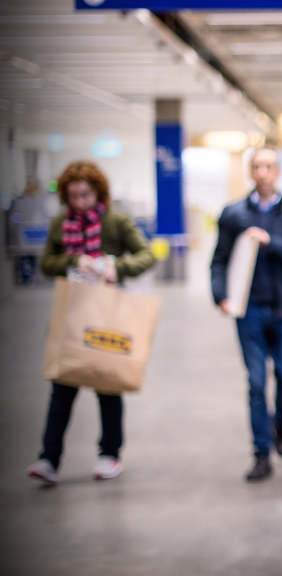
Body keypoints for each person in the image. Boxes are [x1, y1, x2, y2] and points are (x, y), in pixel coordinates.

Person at [27, 161, 155, 484]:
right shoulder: (61, 223)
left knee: (108, 385)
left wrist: (116, 268)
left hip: (106, 314)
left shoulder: (116, 220)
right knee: (62, 388)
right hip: (72, 312)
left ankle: (109, 453)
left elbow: (146, 255)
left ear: (98, 192)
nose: (80, 202)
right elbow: (46, 263)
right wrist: (74, 260)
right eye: (73, 196)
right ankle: (49, 458)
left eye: (85, 194)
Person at [210, 147, 282, 482]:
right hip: (249, 311)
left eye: (268, 166)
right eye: (257, 166)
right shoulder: (234, 214)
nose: (263, 172)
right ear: (250, 171)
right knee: (256, 383)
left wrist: (271, 241)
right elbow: (219, 259)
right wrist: (220, 296)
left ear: (277, 171)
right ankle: (261, 452)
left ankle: (280, 423)